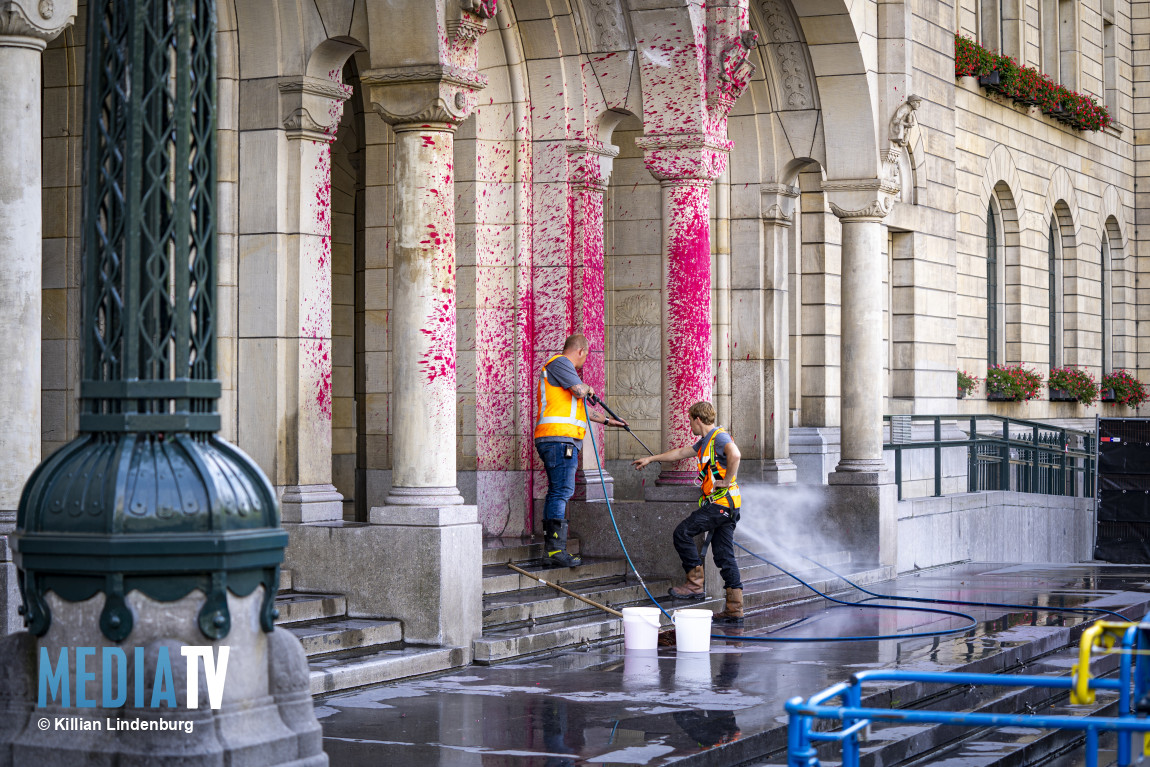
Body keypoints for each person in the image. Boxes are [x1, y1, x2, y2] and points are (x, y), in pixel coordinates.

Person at [631, 401, 745, 624]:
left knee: (682, 532)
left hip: (721, 503)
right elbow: (680, 453)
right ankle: (734, 608)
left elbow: (736, 455)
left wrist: (727, 480)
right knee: (724, 556)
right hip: (727, 505)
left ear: (697, 419)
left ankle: (694, 585)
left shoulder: (719, 438)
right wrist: (651, 459)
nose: (689, 424)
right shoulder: (705, 441)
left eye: (690, 420)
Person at [535, 333, 627, 567]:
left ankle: (552, 550)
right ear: (582, 351)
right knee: (561, 491)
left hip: (558, 439)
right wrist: (587, 388)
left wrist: (608, 421)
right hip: (559, 439)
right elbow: (579, 391)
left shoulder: (562, 372)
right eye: (586, 356)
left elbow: (581, 409)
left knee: (557, 491)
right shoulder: (561, 363)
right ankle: (555, 552)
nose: (584, 361)